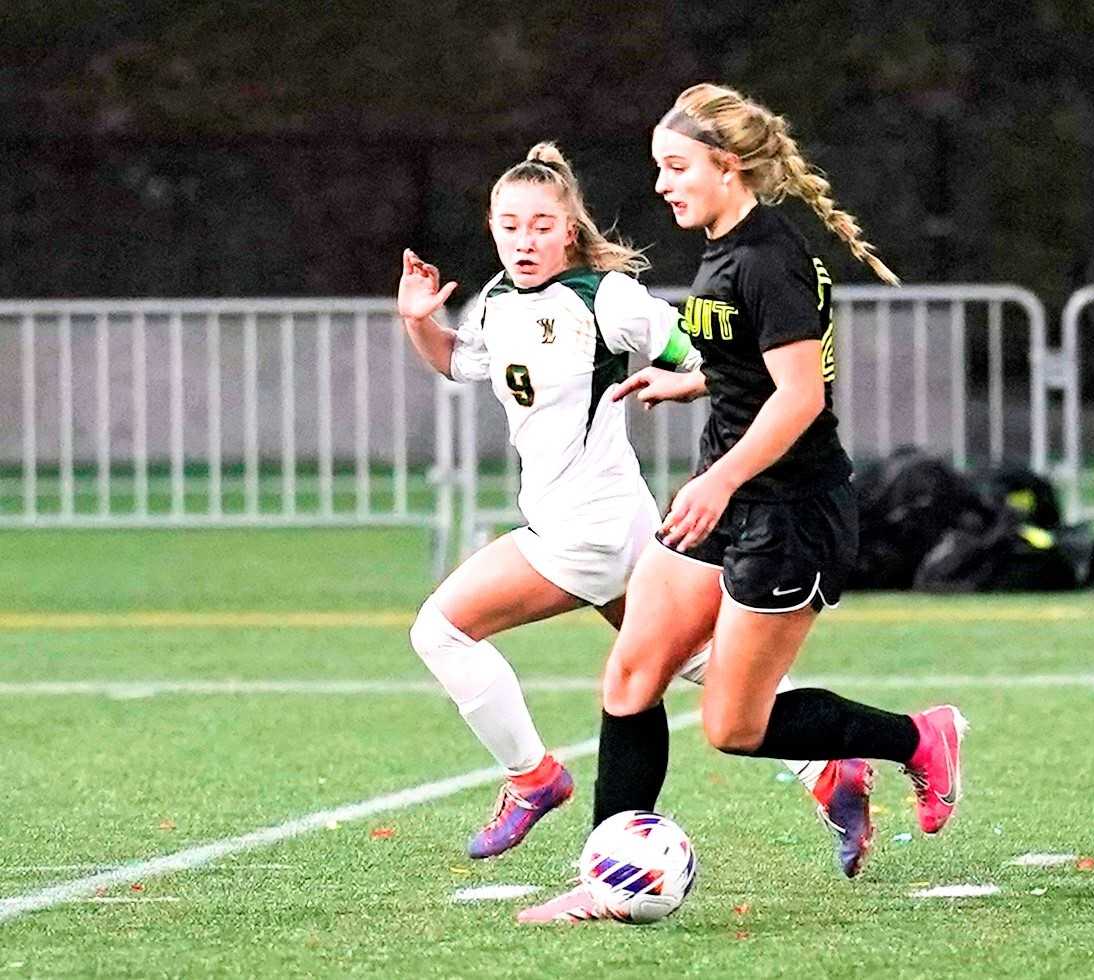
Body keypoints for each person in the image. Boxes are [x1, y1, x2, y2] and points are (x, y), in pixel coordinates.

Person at [519, 85, 967, 924]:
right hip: (726, 497)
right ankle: (605, 877)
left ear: (729, 167)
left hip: (790, 514)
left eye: (677, 167)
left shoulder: (770, 258)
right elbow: (753, 368)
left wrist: (720, 477)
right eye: (659, 167)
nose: (661, 184)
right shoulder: (724, 248)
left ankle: (917, 738)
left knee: (734, 726)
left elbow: (800, 397)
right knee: (631, 675)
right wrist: (695, 382)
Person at [397, 142, 850, 864]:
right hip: (611, 518)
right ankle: (828, 767)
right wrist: (419, 320)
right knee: (682, 661)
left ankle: (533, 778)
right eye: (510, 224)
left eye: (542, 224)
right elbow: (460, 362)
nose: (524, 239)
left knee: (441, 631)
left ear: (570, 228)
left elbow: (705, 357)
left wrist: (698, 389)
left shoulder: (604, 298)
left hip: (586, 530)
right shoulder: (499, 300)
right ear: (491, 228)